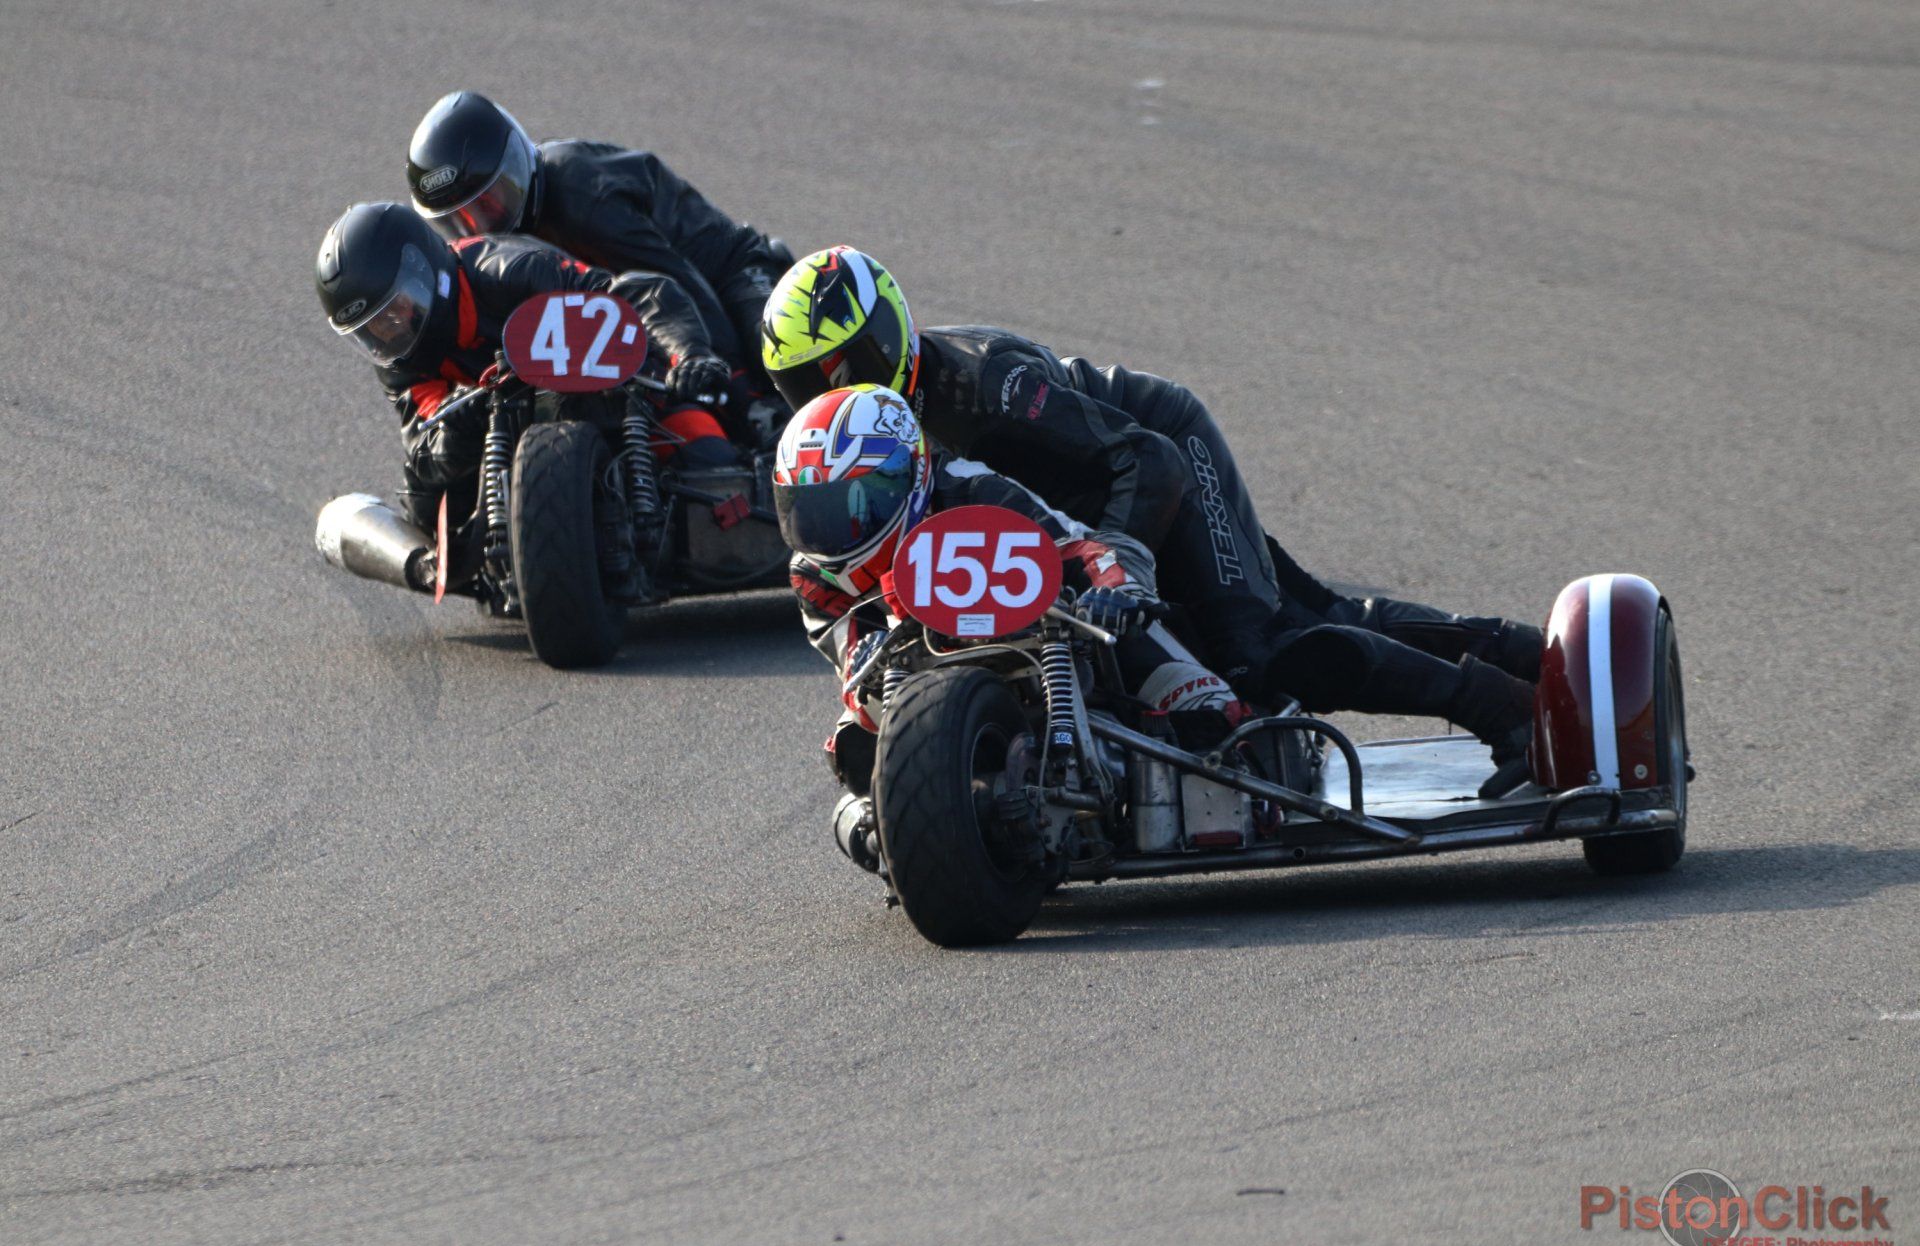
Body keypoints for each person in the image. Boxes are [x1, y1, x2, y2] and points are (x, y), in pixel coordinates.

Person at [760, 246, 1545, 796]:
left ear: (888, 332)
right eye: (803, 385)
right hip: (1079, 515)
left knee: (1259, 651)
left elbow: (1144, 457)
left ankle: (1501, 705)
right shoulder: (874, 442)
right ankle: (1518, 652)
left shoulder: (981, 383)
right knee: (1315, 612)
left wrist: (1123, 566)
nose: (831, 392)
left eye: (846, 365)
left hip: (1157, 457)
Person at [774, 384, 1243, 872]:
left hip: (1043, 633)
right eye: (807, 509)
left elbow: (1078, 547)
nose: (827, 529)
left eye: (853, 503)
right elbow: (848, 663)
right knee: (852, 749)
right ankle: (946, 817)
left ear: (906, 475)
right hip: (918, 663)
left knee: (1205, 705)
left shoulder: (970, 488)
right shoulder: (812, 570)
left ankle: (1225, 749)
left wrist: (1118, 591)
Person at [315, 200, 735, 585]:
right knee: (425, 510)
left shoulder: (512, 271)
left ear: (427, 272)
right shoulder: (399, 361)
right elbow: (424, 453)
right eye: (371, 330)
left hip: (620, 405)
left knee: (713, 466)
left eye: (395, 311)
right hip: (504, 451)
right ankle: (427, 566)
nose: (390, 332)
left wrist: (688, 354)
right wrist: (457, 427)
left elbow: (636, 294)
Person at [404, 90, 792, 429]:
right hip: (653, 301)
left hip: (729, 274)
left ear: (517, 165)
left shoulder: (581, 197)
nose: (482, 229)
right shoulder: (499, 261)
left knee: (771, 363)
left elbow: (679, 282)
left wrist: (735, 386)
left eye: (489, 206)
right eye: (458, 223)